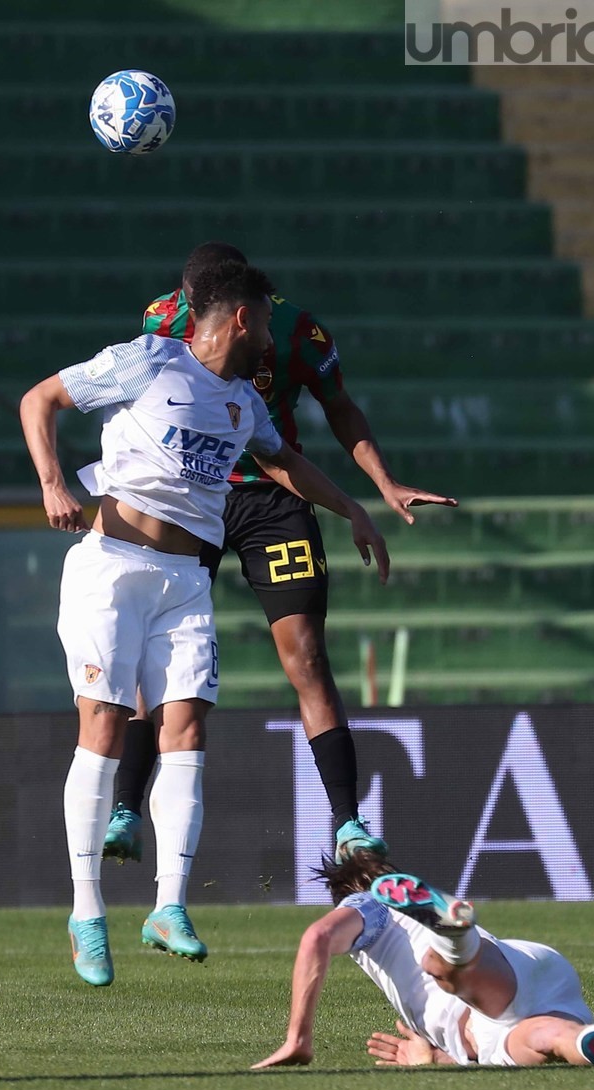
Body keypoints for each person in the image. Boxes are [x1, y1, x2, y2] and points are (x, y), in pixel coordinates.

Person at [19, 259, 390, 987]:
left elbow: (283, 463)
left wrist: (351, 507)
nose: (272, 335)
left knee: (186, 729)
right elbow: (41, 399)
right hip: (115, 566)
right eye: (263, 317)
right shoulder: (148, 360)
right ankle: (86, 913)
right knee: (101, 727)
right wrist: (53, 483)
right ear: (241, 319)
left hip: (187, 582)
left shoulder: (241, 403)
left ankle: (168, 906)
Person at [105, 242, 458, 869]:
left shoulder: (294, 328)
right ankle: (126, 809)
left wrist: (379, 485)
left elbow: (339, 407)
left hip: (275, 498)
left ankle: (348, 823)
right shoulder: (159, 320)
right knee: (151, 653)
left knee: (307, 656)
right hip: (193, 501)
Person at [252, 852, 594, 1069]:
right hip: (524, 984)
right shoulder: (401, 954)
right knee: (549, 1039)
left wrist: (297, 1039)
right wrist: (433, 1058)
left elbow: (317, 936)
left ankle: (456, 935)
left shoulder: (368, 905)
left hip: (485, 994)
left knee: (443, 970)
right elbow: (466, 1049)